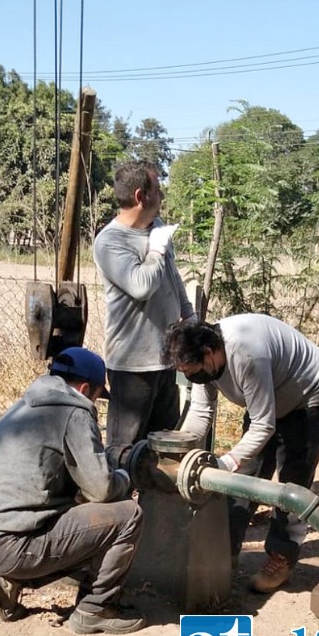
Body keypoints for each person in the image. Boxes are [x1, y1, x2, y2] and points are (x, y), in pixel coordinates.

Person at [0, 347, 145, 635]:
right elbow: (103, 490)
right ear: (85, 388)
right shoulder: (75, 411)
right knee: (127, 516)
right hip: (10, 545)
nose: (96, 402)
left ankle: (7, 582)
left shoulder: (29, 404)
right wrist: (124, 475)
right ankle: (95, 609)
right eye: (97, 395)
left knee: (82, 519)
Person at [161, 314, 319, 594]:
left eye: (192, 370)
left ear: (209, 352)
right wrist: (184, 450)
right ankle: (223, 553)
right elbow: (201, 412)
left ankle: (282, 556)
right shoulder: (204, 358)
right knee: (243, 480)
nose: (192, 377)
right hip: (269, 398)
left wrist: (223, 463)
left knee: (293, 481)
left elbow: (263, 425)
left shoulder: (247, 354)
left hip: (306, 393)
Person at [93, 160, 195, 448]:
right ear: (141, 196)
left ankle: (153, 494)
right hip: (132, 365)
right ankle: (118, 492)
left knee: (162, 447)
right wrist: (156, 248)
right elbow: (142, 285)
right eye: (158, 190)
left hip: (165, 358)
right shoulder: (110, 241)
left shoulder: (157, 228)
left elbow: (172, 278)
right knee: (124, 449)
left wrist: (190, 316)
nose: (162, 196)